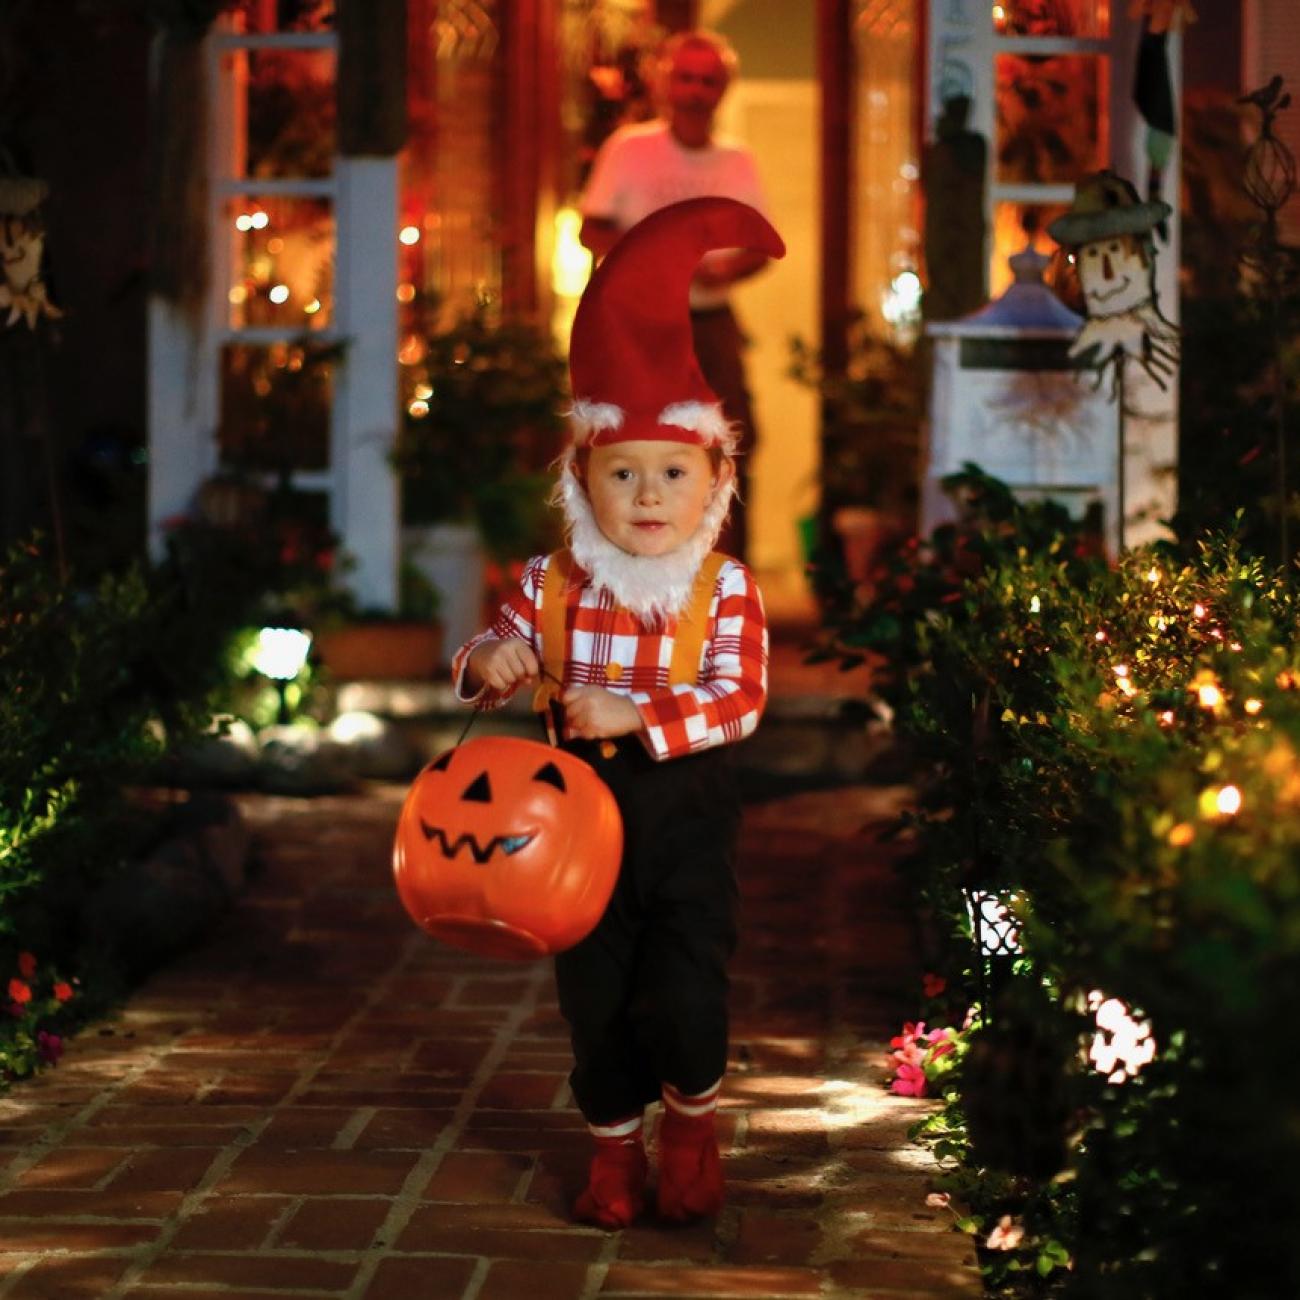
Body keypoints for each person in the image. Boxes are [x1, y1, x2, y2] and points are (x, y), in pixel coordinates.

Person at [452, 198, 784, 1228]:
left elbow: (741, 696)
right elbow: (477, 656)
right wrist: (493, 659)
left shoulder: (722, 589)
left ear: (713, 478)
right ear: (582, 477)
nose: (647, 494)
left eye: (673, 472)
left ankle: (689, 1119)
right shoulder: (552, 583)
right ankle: (612, 1152)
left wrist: (636, 716)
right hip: (574, 824)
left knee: (681, 995)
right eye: (622, 472)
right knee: (594, 1003)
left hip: (684, 817)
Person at [578, 29, 772, 564]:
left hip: (708, 323)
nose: (694, 90)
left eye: (707, 80)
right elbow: (590, 229)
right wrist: (649, 257)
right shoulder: (630, 149)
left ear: (723, 90)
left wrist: (727, 269)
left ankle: (725, 578)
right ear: (666, 84)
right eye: (685, 77)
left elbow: (761, 247)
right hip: (635, 327)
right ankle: (619, 573)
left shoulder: (737, 161)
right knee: (624, 442)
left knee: (730, 445)